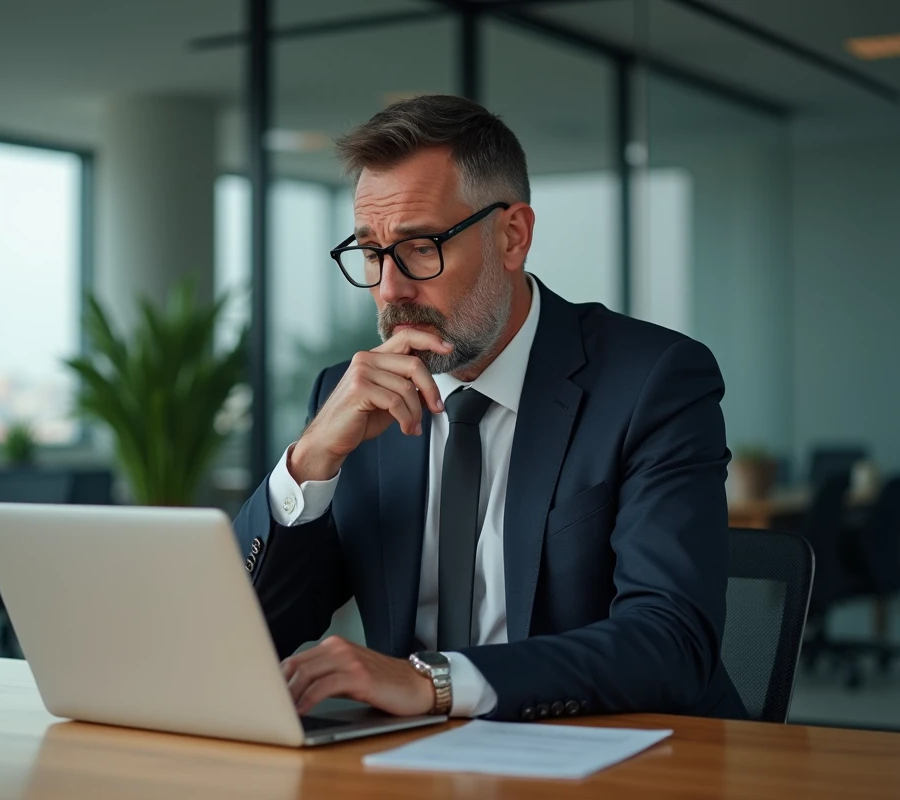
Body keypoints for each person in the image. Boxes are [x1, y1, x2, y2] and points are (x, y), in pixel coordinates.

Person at [233, 94, 745, 723]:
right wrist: (309, 462)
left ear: (512, 236)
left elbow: (671, 642)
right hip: (408, 763)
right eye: (371, 252)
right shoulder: (350, 398)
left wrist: (436, 683)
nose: (390, 288)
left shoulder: (652, 382)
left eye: (421, 246)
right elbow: (241, 639)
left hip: (616, 756)